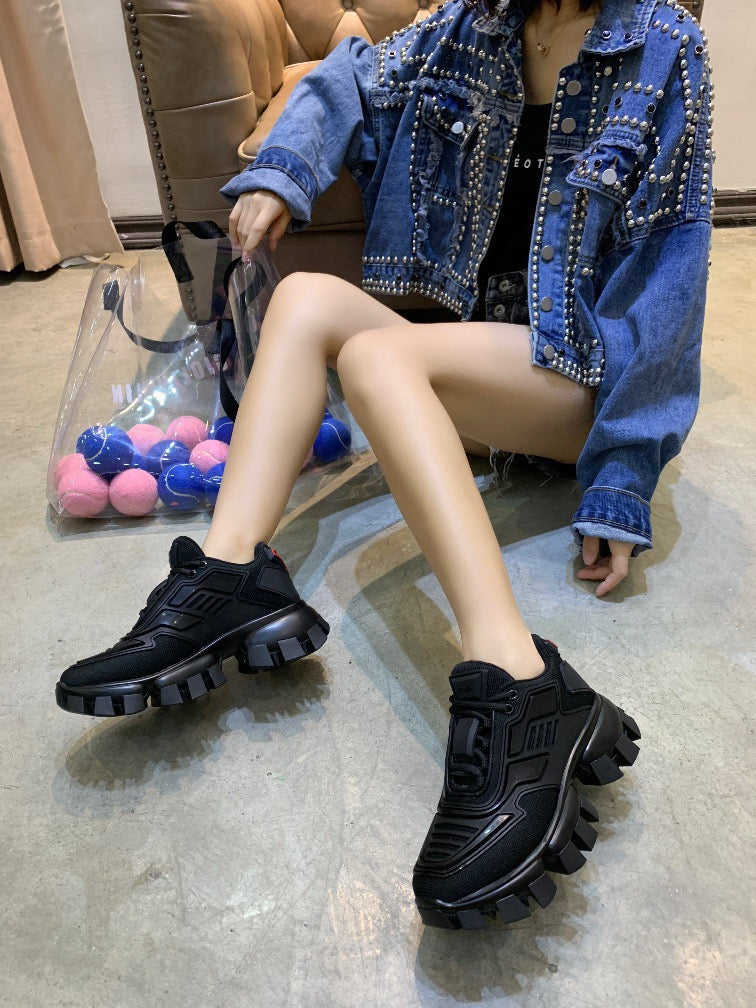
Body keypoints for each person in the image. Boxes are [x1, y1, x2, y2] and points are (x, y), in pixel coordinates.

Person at [56, 0, 713, 929]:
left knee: (374, 358)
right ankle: (232, 575)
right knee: (305, 300)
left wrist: (623, 478)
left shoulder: (663, 48)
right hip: (472, 371)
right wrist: (282, 172)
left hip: (578, 385)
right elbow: (350, 77)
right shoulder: (470, 25)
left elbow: (670, 276)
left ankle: (524, 684)